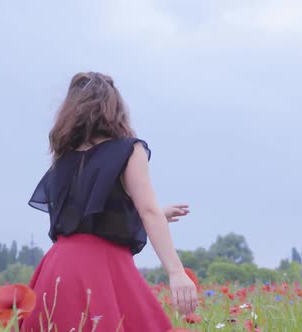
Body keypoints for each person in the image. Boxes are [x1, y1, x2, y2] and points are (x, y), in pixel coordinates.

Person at [19, 72, 198, 332]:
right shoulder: (129, 150)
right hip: (102, 269)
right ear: (114, 107)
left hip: (57, 269)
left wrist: (156, 213)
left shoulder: (63, 156)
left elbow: (87, 218)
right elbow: (146, 210)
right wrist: (176, 272)